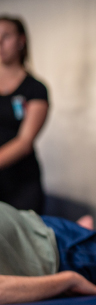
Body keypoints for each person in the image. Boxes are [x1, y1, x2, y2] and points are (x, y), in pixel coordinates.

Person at [0, 16, 49, 214]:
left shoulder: (35, 89)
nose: (0, 43)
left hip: (21, 185)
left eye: (6, 37)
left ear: (21, 41)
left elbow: (24, 142)